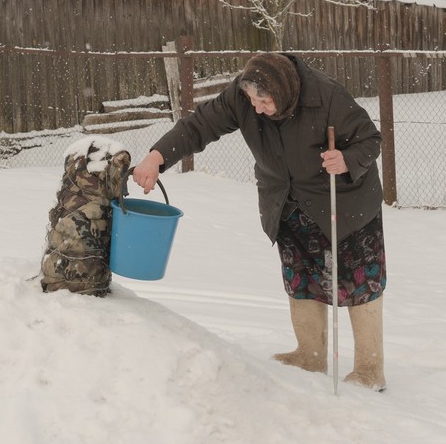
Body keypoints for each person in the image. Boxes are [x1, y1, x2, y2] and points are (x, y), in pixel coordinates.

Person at [131, 52, 387, 390]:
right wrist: (156, 157)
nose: (255, 107)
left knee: (359, 280)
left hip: (343, 200)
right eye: (251, 99)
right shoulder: (242, 96)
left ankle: (370, 368)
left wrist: (347, 158)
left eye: (263, 100)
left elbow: (371, 140)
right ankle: (310, 354)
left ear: (283, 91)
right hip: (287, 201)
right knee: (302, 278)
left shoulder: (326, 96)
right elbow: (199, 126)